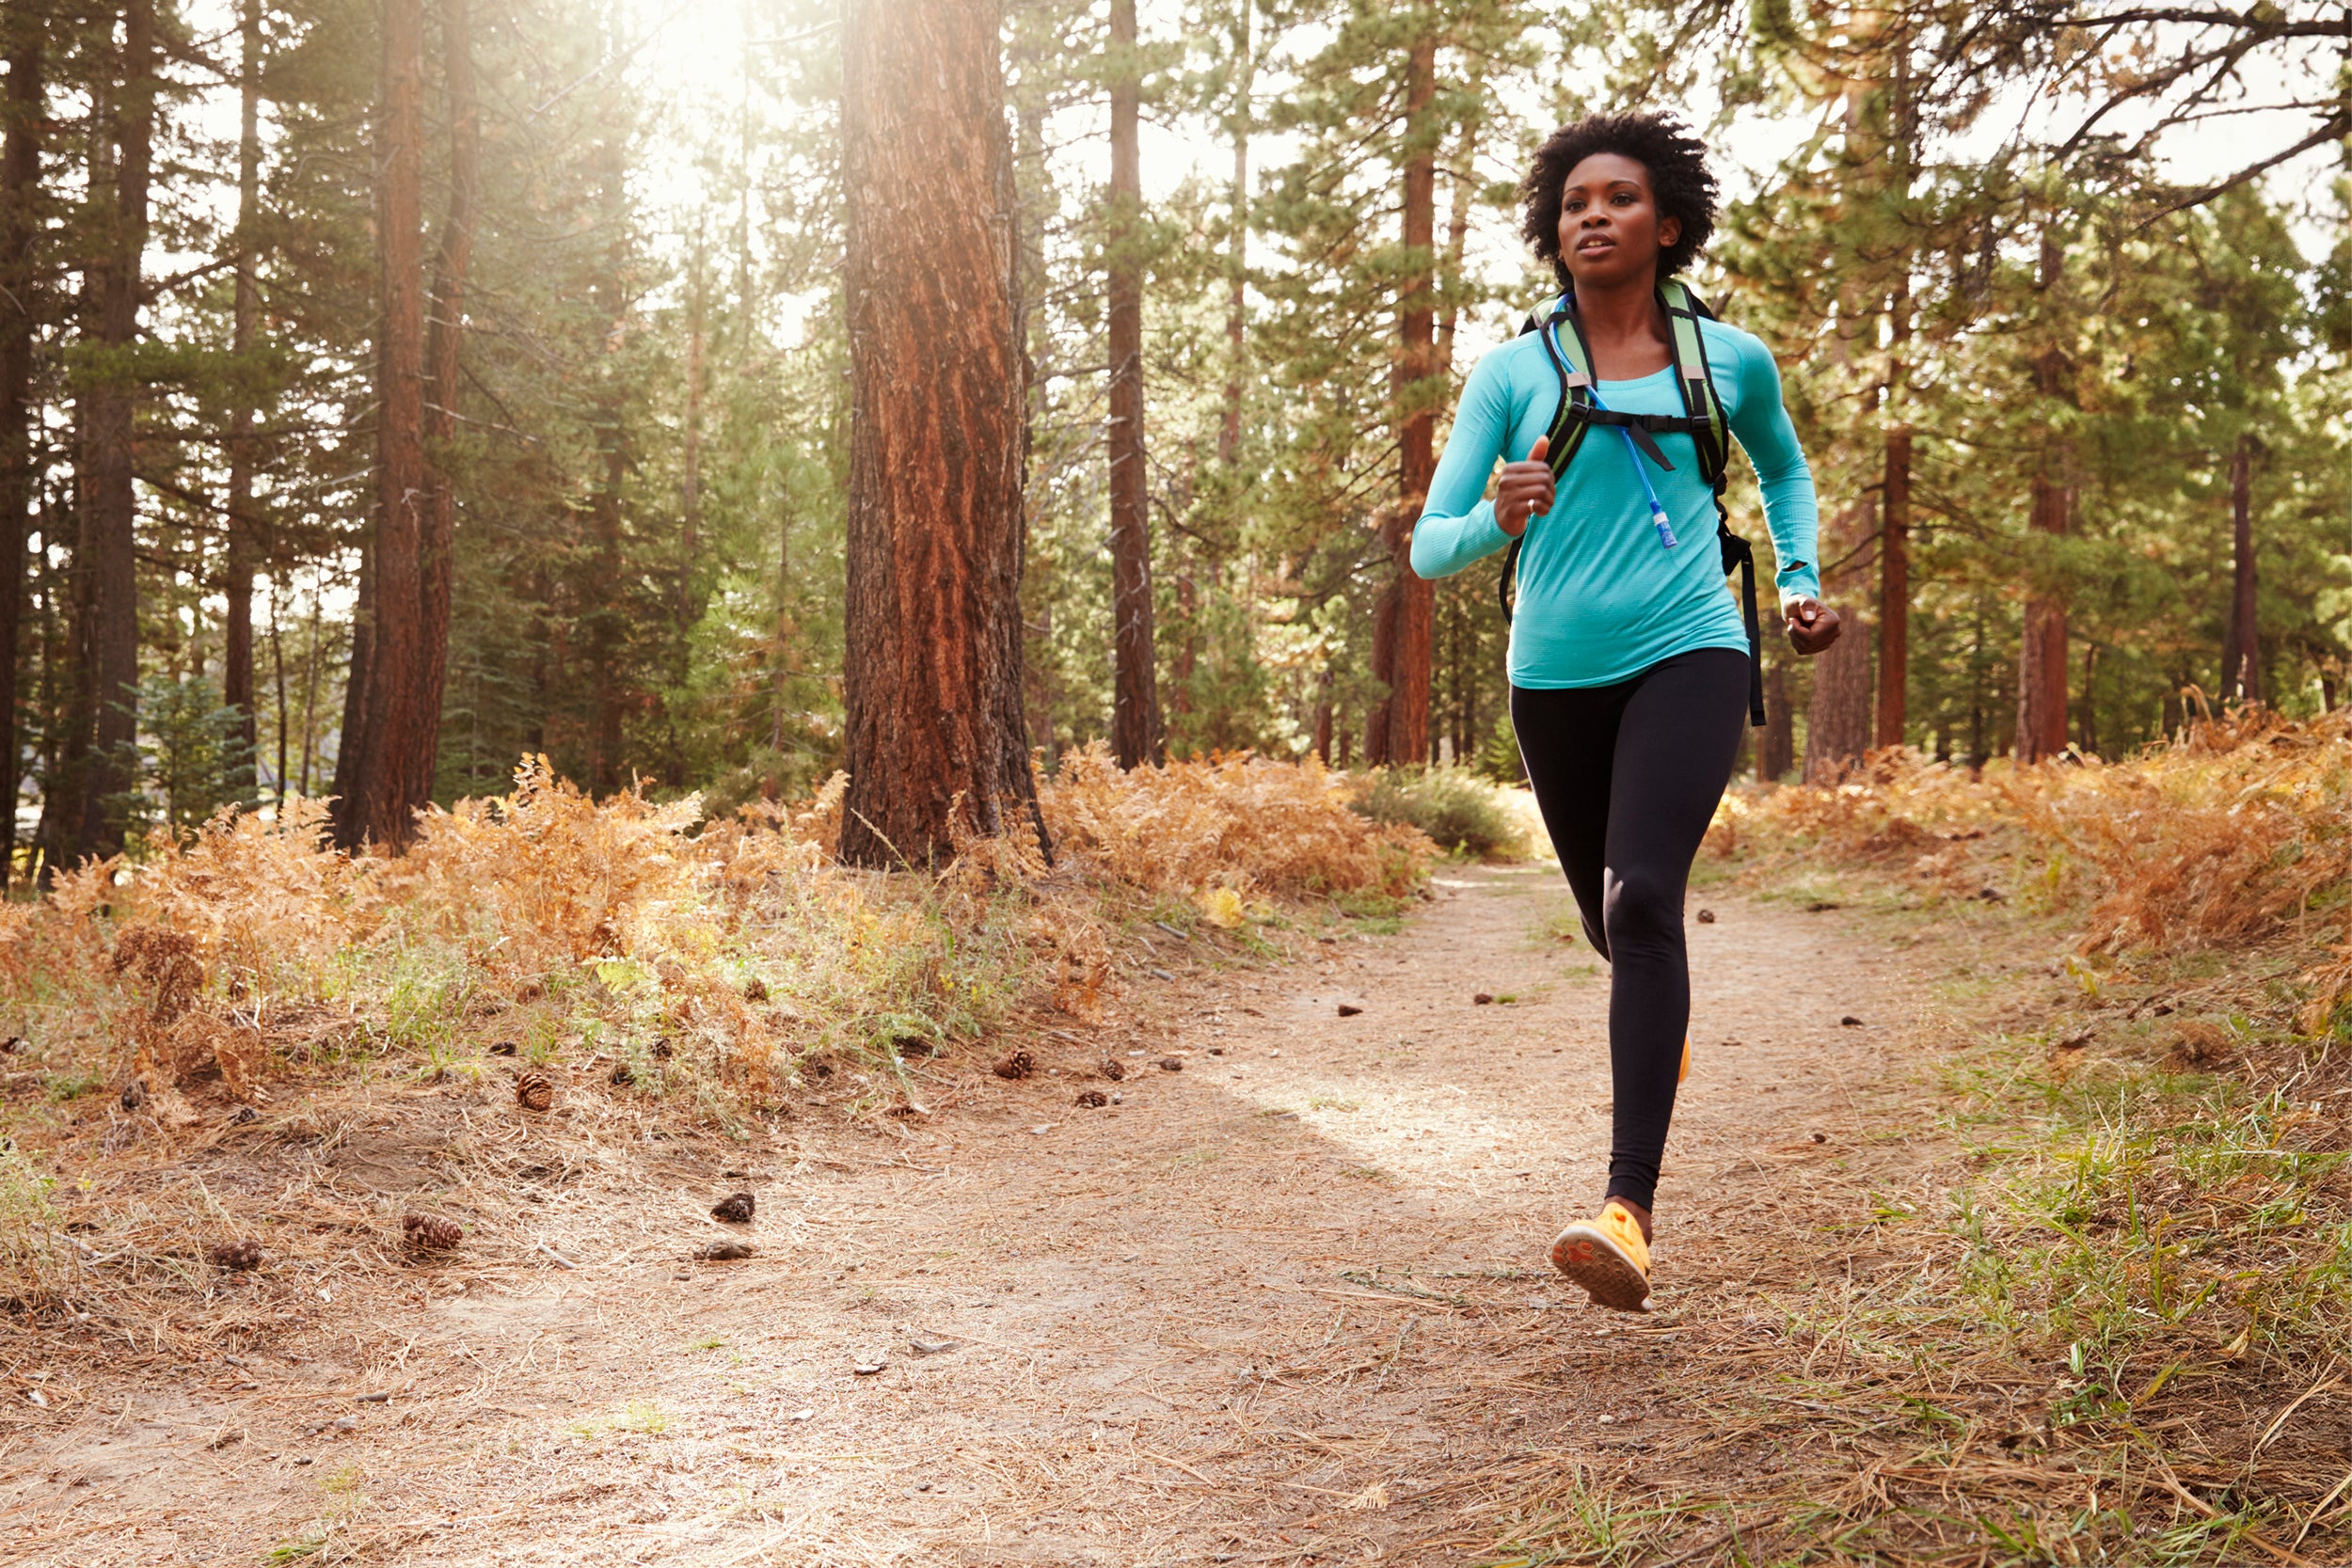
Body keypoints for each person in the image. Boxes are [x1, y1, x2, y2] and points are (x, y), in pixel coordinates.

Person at [1409, 111, 1840, 1312]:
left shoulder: (1729, 361)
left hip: (1690, 643)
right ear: (1554, 231)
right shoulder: (1511, 372)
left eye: (1618, 197)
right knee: (1616, 934)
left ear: (1668, 223)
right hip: (1552, 677)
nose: (1590, 215)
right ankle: (1661, 1020)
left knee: (1642, 896)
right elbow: (1427, 548)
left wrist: (1798, 581)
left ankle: (1625, 1210)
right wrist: (1498, 513)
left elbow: (1784, 468)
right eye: (1571, 202)